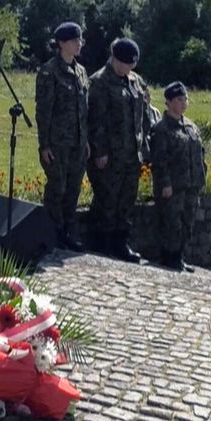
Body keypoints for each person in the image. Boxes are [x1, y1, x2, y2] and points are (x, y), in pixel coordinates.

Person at [87, 38, 155, 262]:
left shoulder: (135, 81)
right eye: (126, 64)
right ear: (115, 59)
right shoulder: (100, 82)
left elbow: (143, 115)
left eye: (132, 65)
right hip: (110, 155)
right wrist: (100, 151)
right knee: (107, 199)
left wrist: (144, 147)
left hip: (131, 154)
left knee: (126, 200)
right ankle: (102, 243)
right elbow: (95, 121)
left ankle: (120, 242)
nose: (129, 68)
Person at [35, 22, 90, 252]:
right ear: (61, 43)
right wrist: (44, 144)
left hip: (77, 142)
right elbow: (44, 111)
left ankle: (67, 232)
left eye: (80, 40)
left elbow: (83, 109)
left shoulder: (81, 71)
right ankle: (52, 233)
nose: (79, 44)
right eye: (75, 40)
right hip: (57, 143)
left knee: (73, 189)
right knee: (57, 189)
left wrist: (85, 140)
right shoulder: (49, 71)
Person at [149, 82, 206, 272]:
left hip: (191, 184)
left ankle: (179, 257)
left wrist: (201, 178)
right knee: (171, 223)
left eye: (185, 99)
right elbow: (160, 160)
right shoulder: (161, 129)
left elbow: (200, 154)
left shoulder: (190, 126)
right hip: (173, 186)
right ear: (169, 102)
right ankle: (169, 257)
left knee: (187, 222)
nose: (184, 103)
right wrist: (165, 184)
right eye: (179, 100)